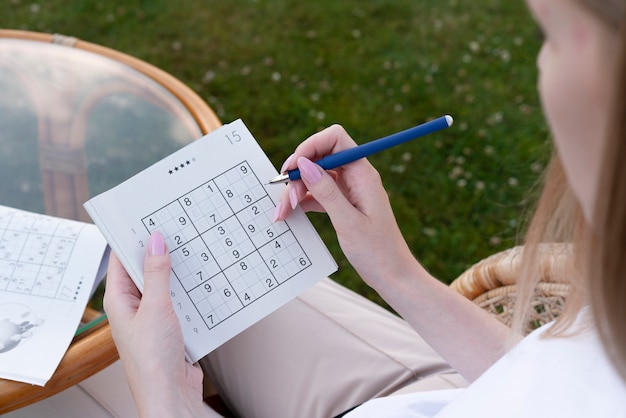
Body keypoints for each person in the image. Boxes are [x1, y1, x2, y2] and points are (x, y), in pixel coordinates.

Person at [103, 0, 626, 416]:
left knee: (63, 382)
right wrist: (396, 274)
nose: (539, 65)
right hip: (439, 387)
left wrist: (164, 397)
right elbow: (551, 384)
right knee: (196, 273)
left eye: (547, 35)